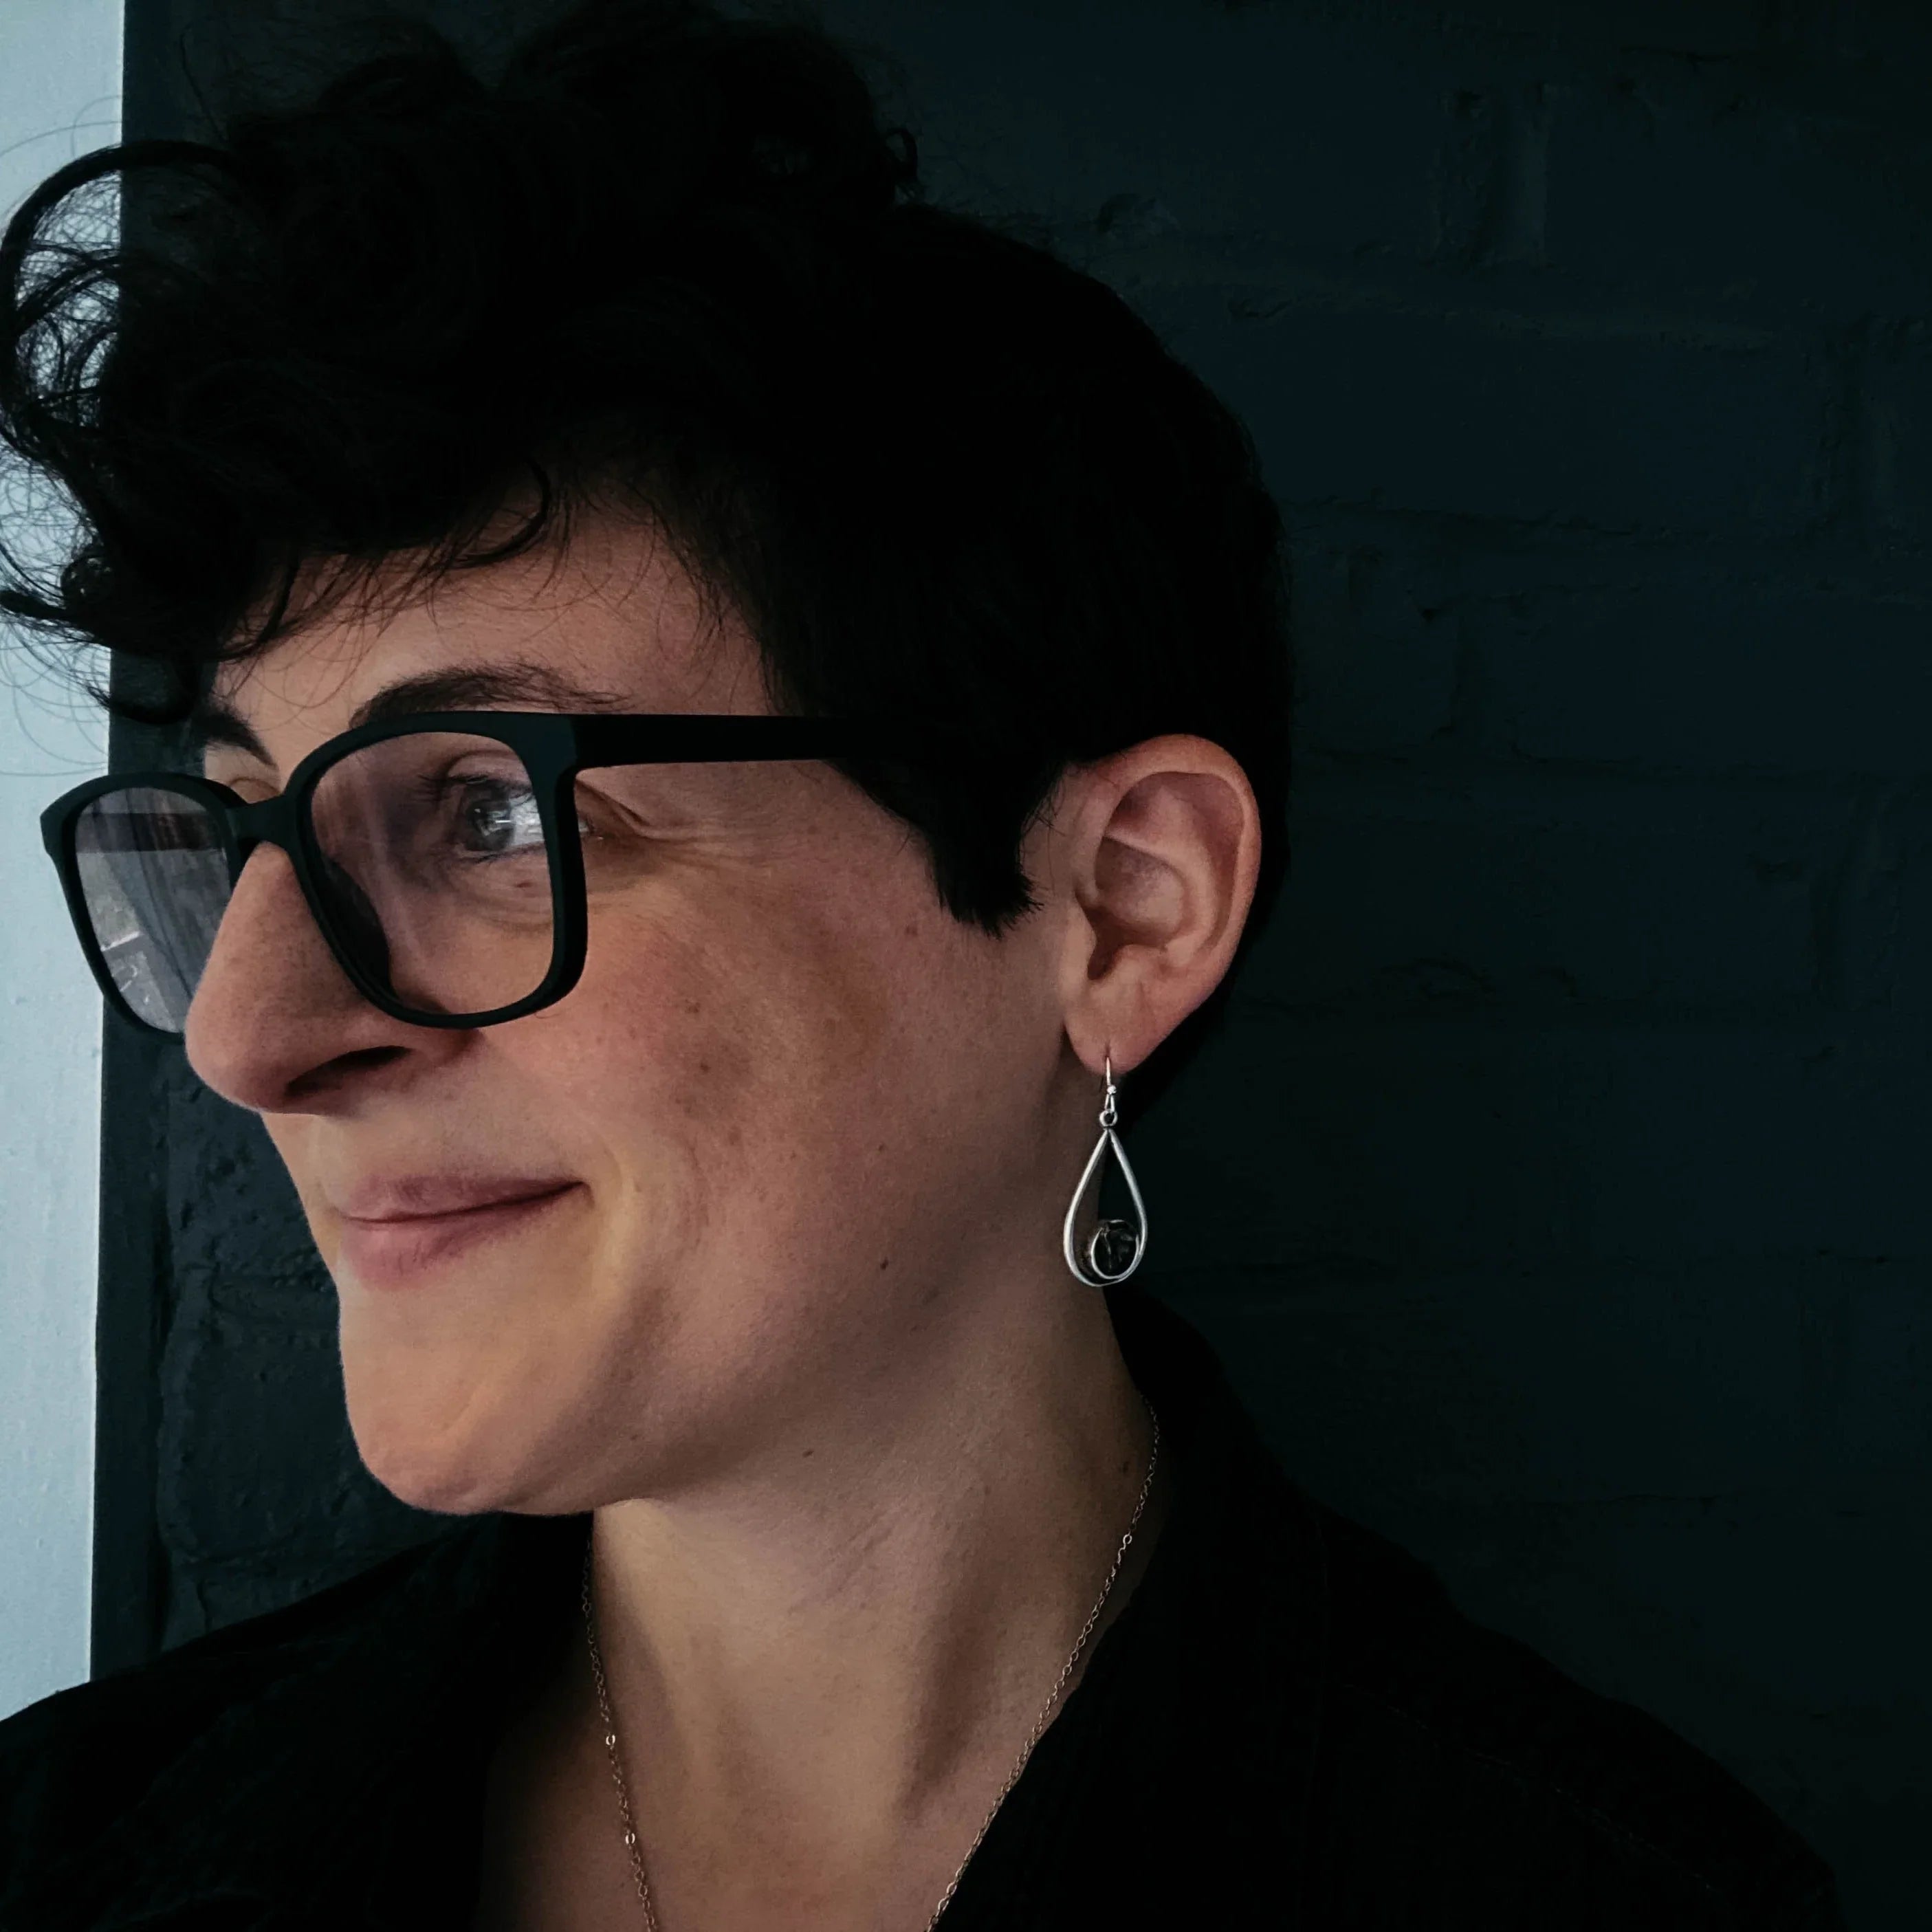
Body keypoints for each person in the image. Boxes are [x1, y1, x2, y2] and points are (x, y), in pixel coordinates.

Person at [0, 3, 1845, 1927]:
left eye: (480, 812)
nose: (245, 1032)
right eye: (236, 832)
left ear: (1120, 909)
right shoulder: (69, 1851)